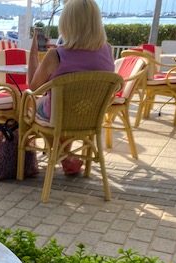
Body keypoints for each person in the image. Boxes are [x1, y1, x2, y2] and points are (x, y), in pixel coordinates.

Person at [27, 0, 114, 175]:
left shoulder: (56, 55)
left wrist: (34, 52)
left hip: (58, 116)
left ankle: (55, 157)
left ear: (67, 23)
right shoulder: (108, 50)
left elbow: (33, 88)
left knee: (29, 104)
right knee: (60, 107)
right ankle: (66, 158)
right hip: (91, 115)